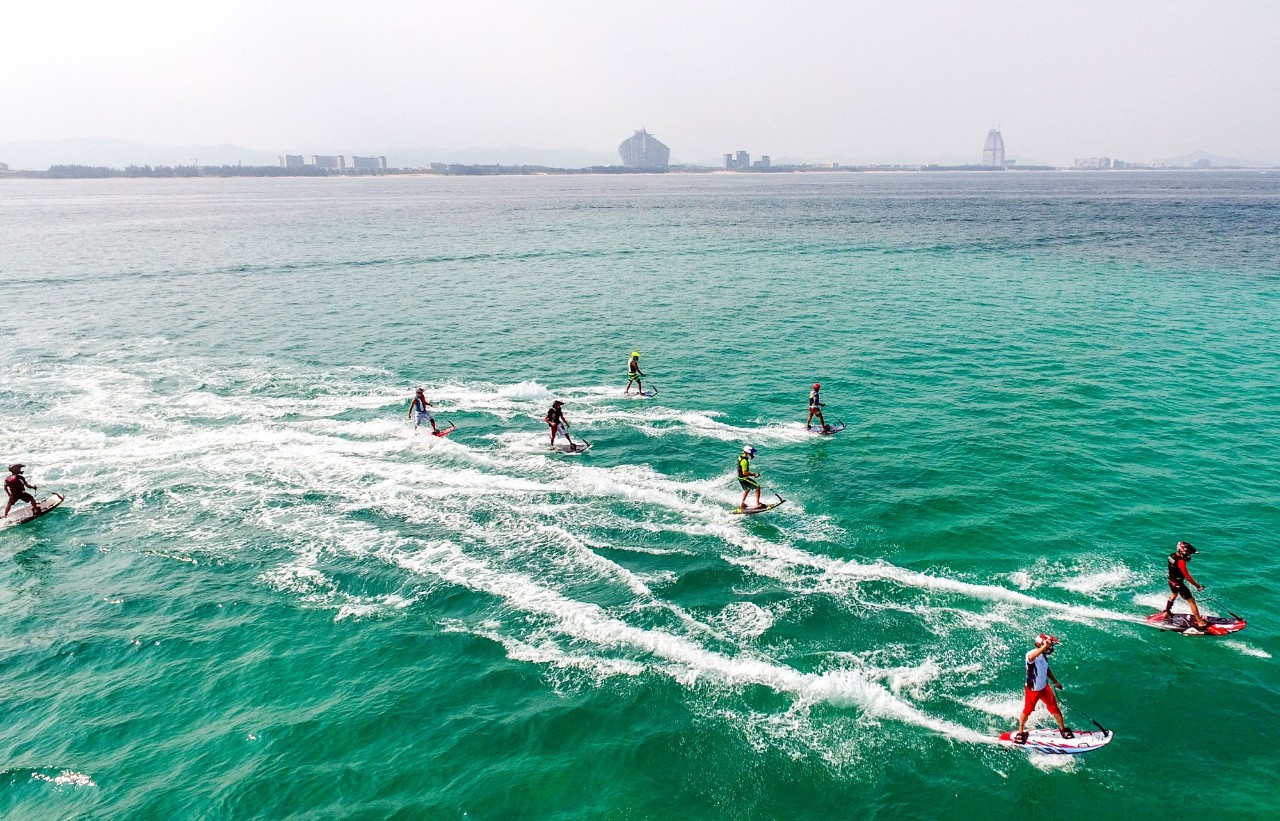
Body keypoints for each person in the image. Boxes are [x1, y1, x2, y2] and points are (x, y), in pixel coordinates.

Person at [1014, 634, 1073, 743]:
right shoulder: (1031, 654)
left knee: (1054, 708)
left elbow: (1046, 669)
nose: (1051, 648)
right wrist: (1044, 647)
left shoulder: (1043, 656)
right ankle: (1020, 732)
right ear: (1041, 645)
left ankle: (1062, 729)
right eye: (1049, 646)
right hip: (1033, 690)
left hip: (1044, 687)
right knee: (1027, 711)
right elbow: (1031, 658)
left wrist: (1055, 681)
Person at [1162, 541, 1209, 630]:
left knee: (1173, 595)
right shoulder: (1181, 562)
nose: (1189, 555)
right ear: (1182, 551)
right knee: (1191, 601)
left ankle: (1167, 612)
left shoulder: (1171, 556)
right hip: (1178, 584)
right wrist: (1198, 586)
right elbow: (1188, 577)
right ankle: (1200, 622)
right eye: (1188, 553)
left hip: (1171, 581)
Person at [736, 446, 762, 510]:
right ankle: (757, 504)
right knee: (757, 487)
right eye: (752, 453)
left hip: (740, 477)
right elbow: (745, 472)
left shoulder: (741, 456)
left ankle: (742, 504)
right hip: (744, 478)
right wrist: (754, 474)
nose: (753, 454)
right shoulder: (744, 461)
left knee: (747, 489)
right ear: (748, 453)